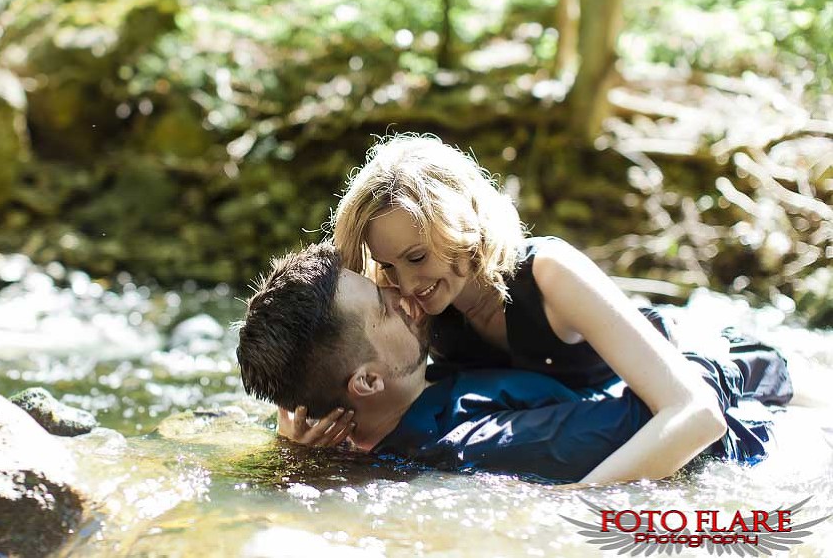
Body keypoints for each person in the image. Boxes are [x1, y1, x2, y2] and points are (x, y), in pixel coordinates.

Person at [279, 133, 783, 483]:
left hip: (723, 363)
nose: (406, 286)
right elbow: (342, 363)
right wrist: (296, 437)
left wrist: (579, 502)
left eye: (417, 256)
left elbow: (697, 414)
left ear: (461, 227)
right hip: (594, 406)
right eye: (389, 267)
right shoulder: (415, 305)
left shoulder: (549, 272)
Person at [238, 243, 793, 484]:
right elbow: (659, 422)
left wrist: (292, 450)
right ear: (365, 380)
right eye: (385, 307)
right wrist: (679, 343)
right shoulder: (472, 440)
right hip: (742, 396)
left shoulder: (411, 390)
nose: (406, 295)